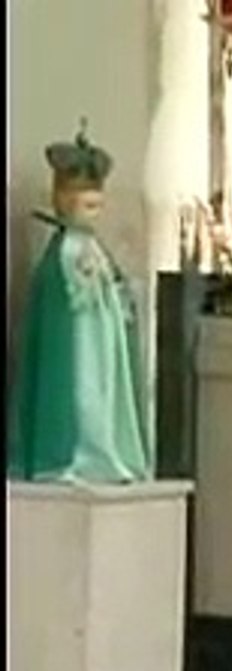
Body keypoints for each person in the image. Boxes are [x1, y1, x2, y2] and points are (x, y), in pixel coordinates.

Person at [8, 120, 153, 485]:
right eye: (81, 200)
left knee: (103, 380)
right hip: (80, 350)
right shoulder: (67, 253)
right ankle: (81, 447)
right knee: (81, 378)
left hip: (103, 345)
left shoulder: (89, 248)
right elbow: (68, 319)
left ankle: (107, 445)